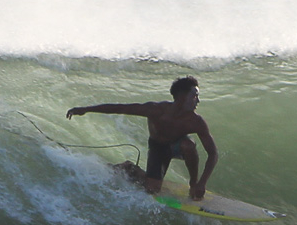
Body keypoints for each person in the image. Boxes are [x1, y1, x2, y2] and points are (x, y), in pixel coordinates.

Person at [66, 76, 219, 200]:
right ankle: (129, 168)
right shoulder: (156, 110)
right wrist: (85, 109)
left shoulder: (196, 121)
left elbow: (213, 153)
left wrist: (202, 182)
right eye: (195, 96)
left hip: (177, 146)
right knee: (152, 190)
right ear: (181, 96)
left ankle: (193, 184)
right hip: (158, 147)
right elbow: (120, 108)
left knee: (189, 146)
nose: (198, 100)